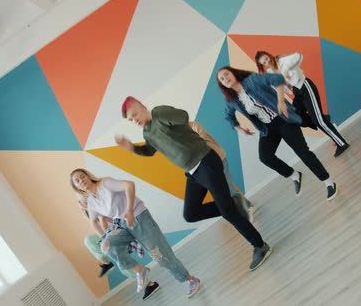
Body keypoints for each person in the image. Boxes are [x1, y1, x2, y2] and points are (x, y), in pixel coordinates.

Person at [117, 98, 272, 271]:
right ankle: (232, 205)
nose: (135, 120)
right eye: (131, 120)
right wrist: (132, 148)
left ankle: (260, 246)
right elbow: (150, 150)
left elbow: (183, 117)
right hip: (192, 172)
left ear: (141, 106)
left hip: (205, 162)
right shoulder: (147, 133)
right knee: (191, 214)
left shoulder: (159, 113)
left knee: (228, 212)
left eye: (135, 114)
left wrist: (166, 117)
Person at [70, 169, 200, 298]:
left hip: (139, 218)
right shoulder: (91, 202)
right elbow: (93, 221)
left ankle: (190, 279)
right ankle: (140, 271)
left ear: (88, 176)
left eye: (83, 176)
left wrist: (129, 211)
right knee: (106, 245)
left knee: (161, 256)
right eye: (77, 180)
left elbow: (129, 185)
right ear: (76, 187)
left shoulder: (105, 183)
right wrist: (105, 236)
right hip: (121, 226)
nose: (81, 180)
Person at [216, 66, 338, 201]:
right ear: (222, 84)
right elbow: (228, 116)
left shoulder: (252, 80)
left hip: (283, 118)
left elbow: (278, 78)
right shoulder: (232, 100)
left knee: (303, 152)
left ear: (232, 73)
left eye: (226, 74)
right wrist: (239, 128)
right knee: (265, 157)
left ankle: (328, 182)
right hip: (268, 128)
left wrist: (281, 101)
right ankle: (295, 175)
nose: (225, 78)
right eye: (222, 79)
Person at [255, 51, 349, 157]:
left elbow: (299, 56)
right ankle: (324, 119)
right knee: (297, 117)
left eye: (267, 58)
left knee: (318, 121)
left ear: (269, 55)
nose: (268, 61)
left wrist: (288, 70)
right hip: (297, 92)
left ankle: (342, 143)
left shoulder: (281, 60)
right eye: (264, 62)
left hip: (305, 86)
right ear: (262, 65)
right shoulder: (271, 72)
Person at [188, 121, 255, 222]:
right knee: (228, 187)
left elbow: (203, 142)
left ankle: (246, 215)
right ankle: (248, 206)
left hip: (218, 159)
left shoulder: (193, 126)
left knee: (228, 189)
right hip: (207, 166)